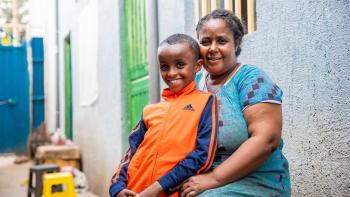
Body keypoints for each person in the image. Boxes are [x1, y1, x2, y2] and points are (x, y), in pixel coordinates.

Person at [180, 9, 291, 197]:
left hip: (255, 181)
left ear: (236, 43)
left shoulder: (251, 80)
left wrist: (213, 179)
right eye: (205, 42)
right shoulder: (194, 84)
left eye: (221, 41)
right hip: (201, 179)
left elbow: (266, 140)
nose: (212, 48)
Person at [109, 33, 219, 197]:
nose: (171, 73)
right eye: (164, 67)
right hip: (133, 190)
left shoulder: (206, 102)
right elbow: (131, 152)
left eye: (180, 65)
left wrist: (159, 186)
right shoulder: (150, 110)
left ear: (198, 66)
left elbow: (203, 156)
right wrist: (116, 187)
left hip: (167, 192)